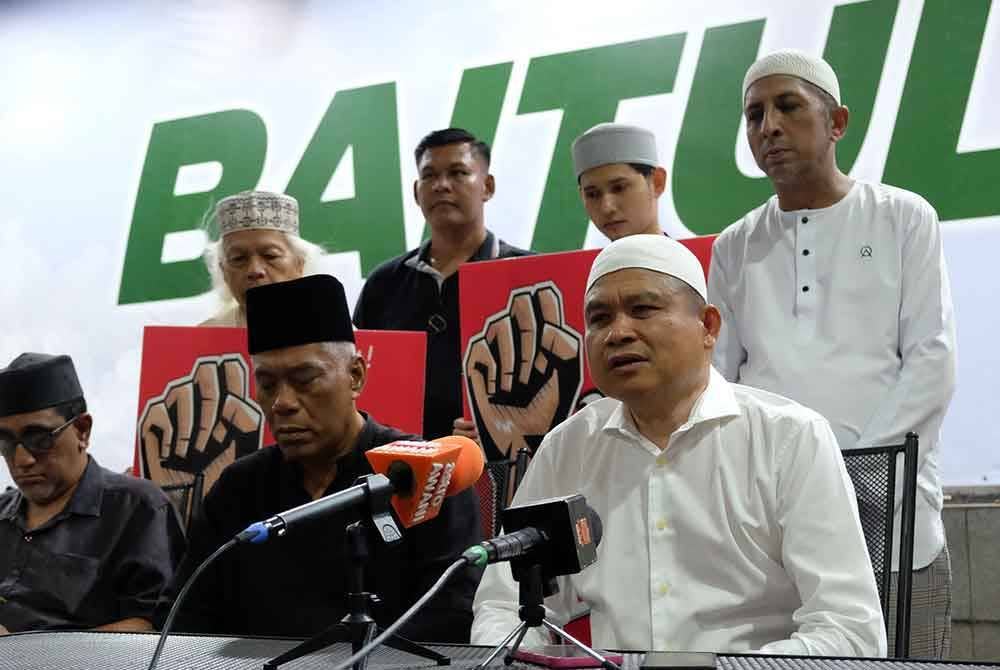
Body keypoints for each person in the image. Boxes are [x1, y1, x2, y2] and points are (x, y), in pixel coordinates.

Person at [472, 234, 886, 656]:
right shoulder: (569, 446)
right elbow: (504, 605)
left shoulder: (789, 438)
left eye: (642, 310)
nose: (617, 333)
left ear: (707, 326)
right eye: (599, 318)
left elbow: (849, 630)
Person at [708, 49, 956, 658]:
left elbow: (932, 362)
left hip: (894, 523)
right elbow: (717, 379)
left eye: (788, 106)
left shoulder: (902, 217)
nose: (768, 127)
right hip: (772, 535)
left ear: (837, 122)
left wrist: (850, 471)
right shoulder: (735, 246)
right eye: (754, 114)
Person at [167, 274, 483, 640]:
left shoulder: (424, 474)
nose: (282, 403)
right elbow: (185, 616)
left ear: (356, 376)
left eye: (305, 380)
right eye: (268, 385)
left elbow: (451, 615)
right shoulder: (238, 489)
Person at [353, 128, 533, 452]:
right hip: (402, 470)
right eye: (429, 176)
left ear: (487, 187)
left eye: (458, 173)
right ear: (416, 191)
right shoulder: (383, 283)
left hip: (502, 470)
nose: (442, 185)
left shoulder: (528, 274)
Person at [0, 353, 185, 634]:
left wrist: (24, 651)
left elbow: (153, 626)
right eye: (6, 442)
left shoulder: (138, 510)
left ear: (82, 430)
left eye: (39, 438)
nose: (22, 458)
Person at [200, 190, 326, 327]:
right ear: (224, 272)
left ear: (300, 264)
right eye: (238, 259)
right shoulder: (207, 337)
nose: (255, 270)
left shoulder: (332, 331)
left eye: (270, 256)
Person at [571, 123, 668, 240]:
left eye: (619, 188)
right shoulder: (600, 259)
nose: (607, 208)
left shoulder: (690, 258)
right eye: (592, 194)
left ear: (657, 182)